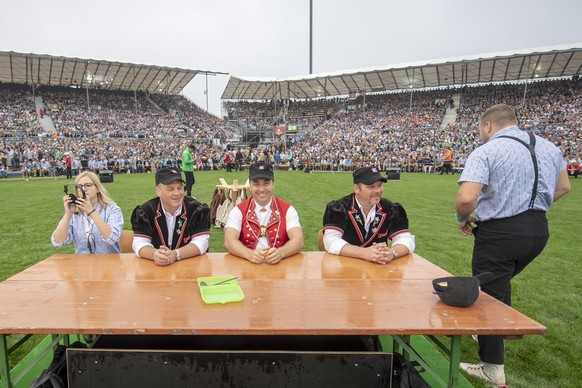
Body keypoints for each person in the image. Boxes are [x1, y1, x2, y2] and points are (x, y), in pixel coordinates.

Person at [455, 104, 571, 386]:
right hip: (537, 230)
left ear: (487, 126)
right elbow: (564, 186)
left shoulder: (487, 150)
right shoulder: (548, 146)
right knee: (497, 285)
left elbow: (466, 198)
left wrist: (463, 217)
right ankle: (491, 331)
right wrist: (531, 209)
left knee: (487, 298)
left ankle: (492, 368)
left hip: (500, 234)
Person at [322, 166, 415, 264]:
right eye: (371, 187)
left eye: (379, 185)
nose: (378, 190)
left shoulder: (390, 208)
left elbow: (406, 238)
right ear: (356, 188)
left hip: (377, 272)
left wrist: (392, 253)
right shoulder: (340, 207)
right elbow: (330, 241)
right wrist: (364, 253)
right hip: (345, 267)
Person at [224, 162, 304, 264]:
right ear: (250, 186)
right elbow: (229, 241)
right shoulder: (238, 210)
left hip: (279, 267)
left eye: (266, 183)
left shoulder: (288, 209)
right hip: (247, 267)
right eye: (256, 184)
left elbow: (298, 240)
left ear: (273, 184)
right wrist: (248, 254)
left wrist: (280, 253)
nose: (262, 189)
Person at [131, 168, 211, 266]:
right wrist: (154, 254)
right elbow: (139, 242)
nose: (177, 193)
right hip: (156, 270)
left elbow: (202, 242)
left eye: (180, 188)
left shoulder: (196, 210)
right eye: (171, 189)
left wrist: (176, 254)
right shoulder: (146, 211)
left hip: (189, 267)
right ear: (158, 191)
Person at [51, 171, 123, 253]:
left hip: (109, 262)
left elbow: (113, 238)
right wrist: (68, 215)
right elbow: (57, 242)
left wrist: (92, 212)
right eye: (80, 186)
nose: (83, 189)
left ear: (98, 189)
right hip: (83, 263)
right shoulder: (74, 213)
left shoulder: (112, 210)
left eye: (88, 185)